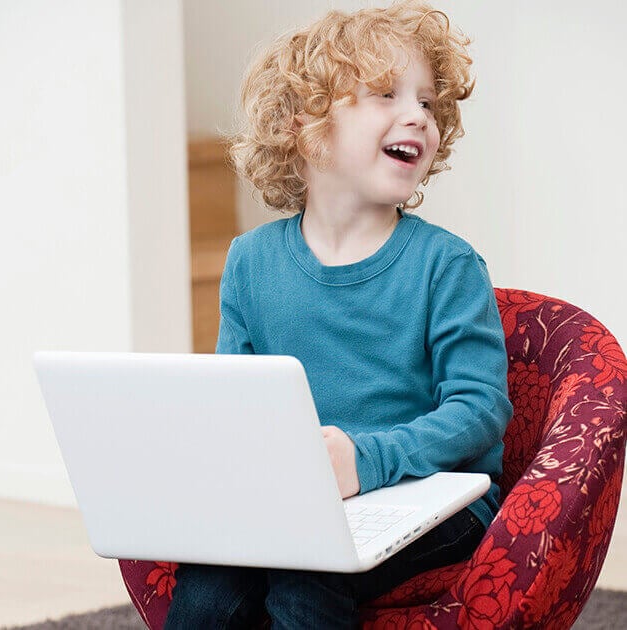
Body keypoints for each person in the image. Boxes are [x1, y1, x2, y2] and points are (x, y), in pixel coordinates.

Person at [165, 1, 513, 627]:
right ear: (306, 126)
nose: (419, 116)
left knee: (307, 563)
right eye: (386, 93)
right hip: (302, 500)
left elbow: (480, 410)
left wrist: (364, 460)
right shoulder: (250, 261)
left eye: (428, 102)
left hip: (434, 499)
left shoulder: (447, 265)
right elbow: (236, 403)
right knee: (209, 580)